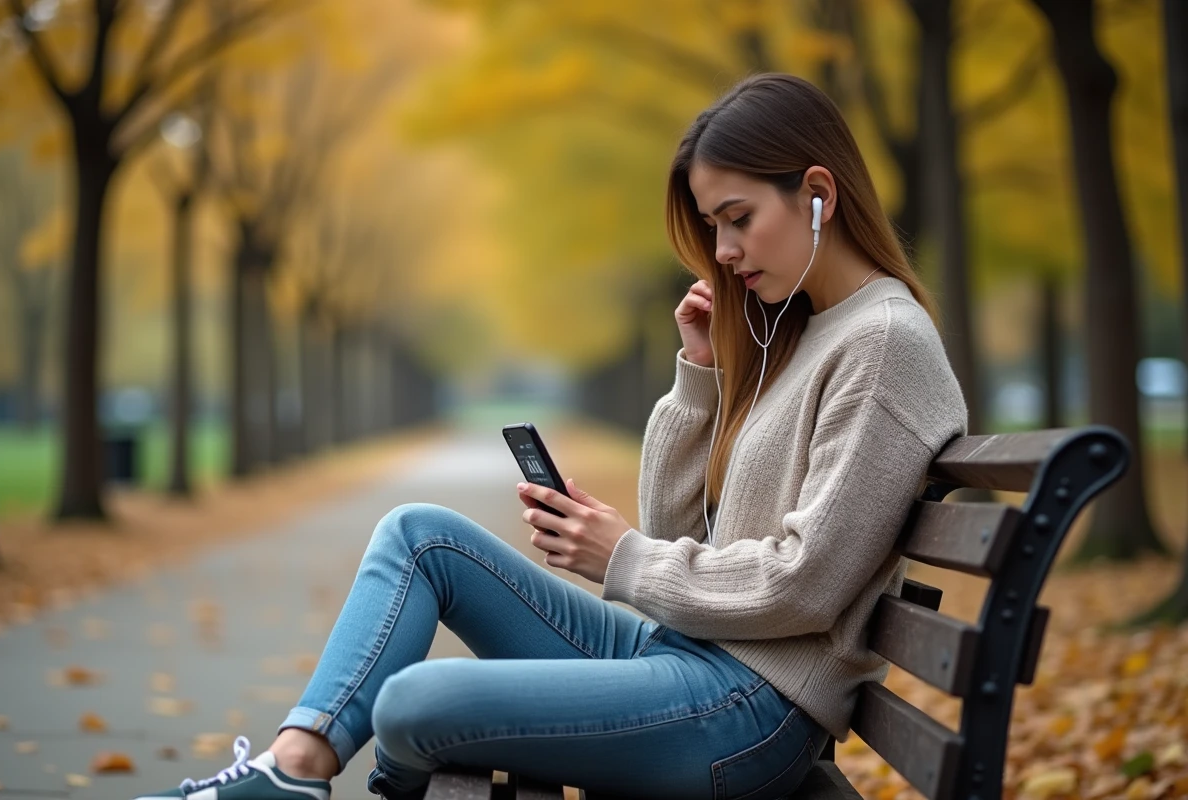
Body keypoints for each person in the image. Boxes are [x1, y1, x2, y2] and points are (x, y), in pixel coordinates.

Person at [133, 73, 967, 800]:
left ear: (817, 193)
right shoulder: (805, 330)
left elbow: (807, 586)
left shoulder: (881, 341)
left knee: (413, 706)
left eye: (737, 218)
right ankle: (293, 768)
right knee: (419, 537)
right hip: (691, 656)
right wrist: (701, 377)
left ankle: (298, 781)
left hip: (748, 712)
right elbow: (682, 534)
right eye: (714, 225)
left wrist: (622, 558)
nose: (723, 250)